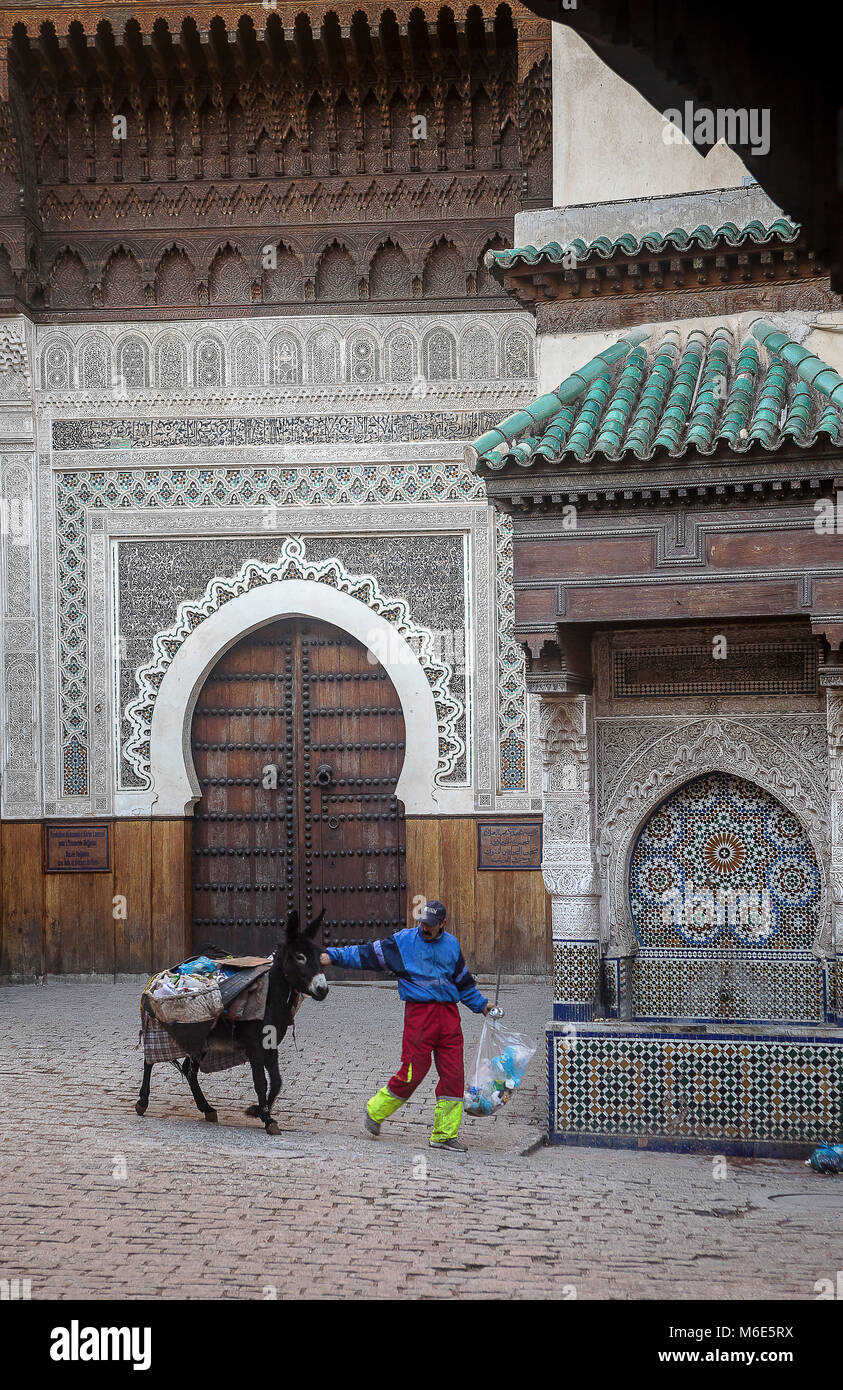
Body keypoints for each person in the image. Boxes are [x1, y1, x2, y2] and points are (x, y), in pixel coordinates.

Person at [320, 899, 497, 1153]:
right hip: (419, 1017)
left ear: (442, 924)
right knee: (412, 1073)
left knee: (454, 1076)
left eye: (431, 925)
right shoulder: (403, 942)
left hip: (449, 1018)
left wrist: (483, 1006)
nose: (425, 928)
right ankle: (375, 1110)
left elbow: (464, 985)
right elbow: (365, 954)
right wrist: (332, 956)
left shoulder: (452, 946)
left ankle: (444, 1135)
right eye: (423, 923)